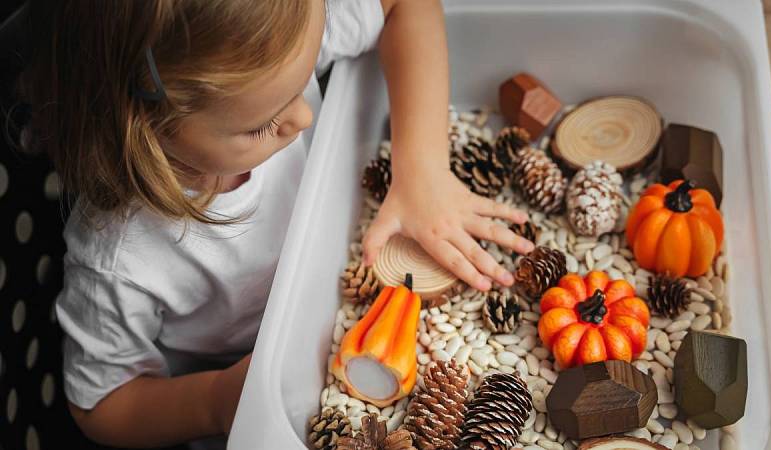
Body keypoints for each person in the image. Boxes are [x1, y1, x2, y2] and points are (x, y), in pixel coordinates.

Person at [20, 0, 535, 447]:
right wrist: (214, 402)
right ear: (144, 132)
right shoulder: (120, 258)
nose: (304, 117)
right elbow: (101, 405)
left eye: (309, 70)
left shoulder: (270, 39)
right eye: (262, 123)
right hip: (251, 386)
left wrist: (420, 168)